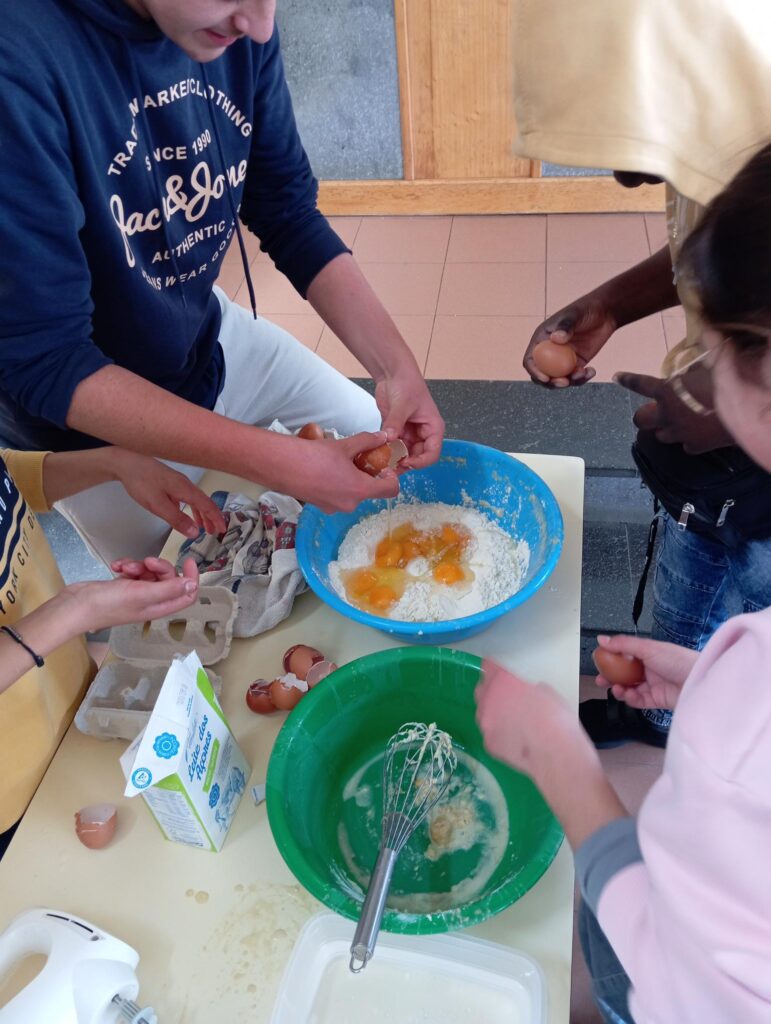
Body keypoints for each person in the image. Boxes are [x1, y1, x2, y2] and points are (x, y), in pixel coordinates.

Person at [476, 144, 771, 1024]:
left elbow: (694, 988)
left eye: (727, 345)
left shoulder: (742, 749)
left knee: (616, 990)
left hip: (659, 951)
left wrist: (562, 770)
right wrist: (711, 676)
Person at [0, 0, 444, 567]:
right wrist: (279, 460)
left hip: (210, 341)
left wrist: (395, 369)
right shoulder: (19, 59)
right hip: (97, 430)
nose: (260, 26)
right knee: (196, 593)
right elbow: (48, 360)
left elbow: (288, 211)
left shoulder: (240, 25)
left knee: (388, 459)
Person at [510, 0, 771, 746]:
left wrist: (728, 407)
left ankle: (713, 731)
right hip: (711, 469)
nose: (627, 181)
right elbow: (723, 247)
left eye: (635, 138)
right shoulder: (729, 112)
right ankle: (660, 714)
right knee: (686, 601)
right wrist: (611, 305)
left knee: (748, 639)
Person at [0, 445, 224, 860]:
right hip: (16, 797)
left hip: (75, 697)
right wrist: (75, 610)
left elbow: (7, 477)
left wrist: (116, 464)